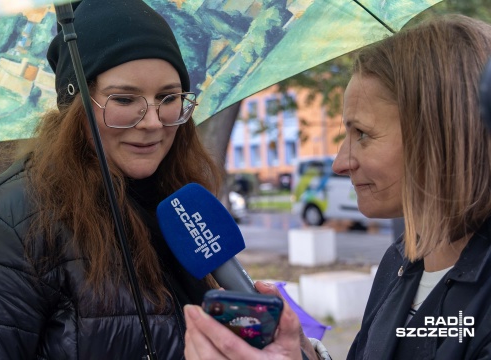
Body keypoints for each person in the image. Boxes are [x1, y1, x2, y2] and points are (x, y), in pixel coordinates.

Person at [0, 0, 222, 358]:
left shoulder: (175, 202)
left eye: (168, 97)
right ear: (76, 105)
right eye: (124, 98)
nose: (153, 121)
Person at [184, 14, 491, 360]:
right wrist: (303, 353)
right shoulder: (400, 261)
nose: (339, 163)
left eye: (362, 133)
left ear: (440, 135)